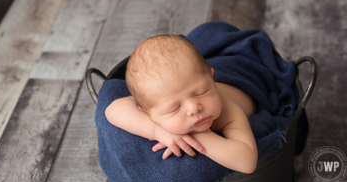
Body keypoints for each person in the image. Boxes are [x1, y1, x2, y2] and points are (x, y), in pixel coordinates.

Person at [105, 34, 258, 174]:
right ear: (145, 112)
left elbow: (247, 162)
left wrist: (192, 135)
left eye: (202, 92)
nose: (194, 108)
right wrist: (158, 131)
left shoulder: (227, 110)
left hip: (245, 80)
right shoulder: (158, 96)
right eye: (175, 108)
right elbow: (112, 110)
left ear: (212, 78)